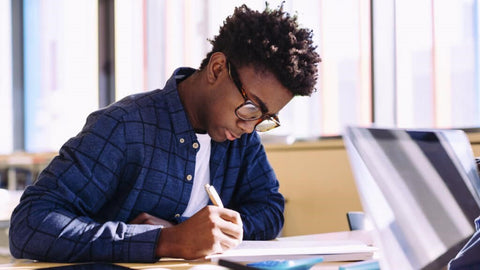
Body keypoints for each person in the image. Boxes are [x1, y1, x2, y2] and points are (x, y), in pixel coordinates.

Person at [9, 3, 321, 262]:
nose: (251, 126)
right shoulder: (125, 126)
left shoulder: (242, 137)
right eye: (252, 108)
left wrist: (190, 229)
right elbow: (30, 225)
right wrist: (164, 241)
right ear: (216, 69)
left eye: (265, 118)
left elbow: (269, 209)